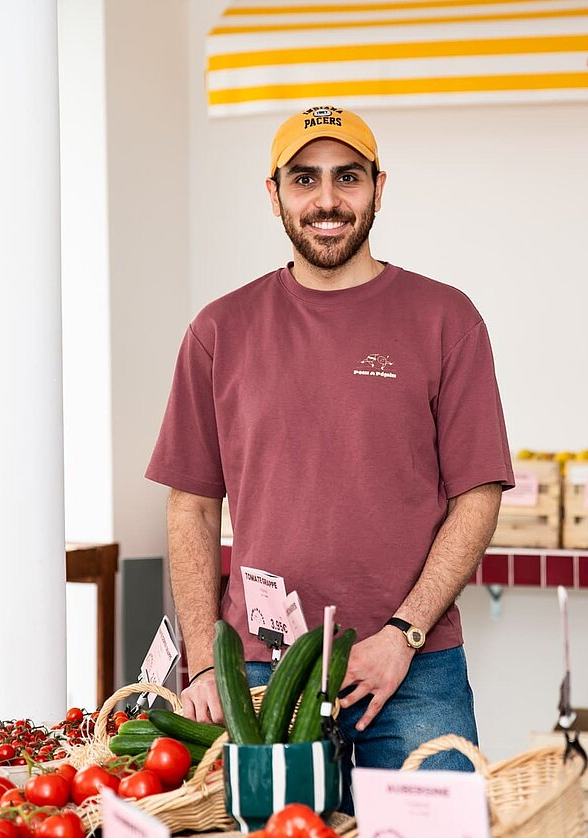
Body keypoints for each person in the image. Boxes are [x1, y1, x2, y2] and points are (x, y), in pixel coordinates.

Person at [145, 105, 513, 792]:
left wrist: (401, 636)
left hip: (412, 668)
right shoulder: (219, 331)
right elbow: (190, 506)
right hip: (257, 672)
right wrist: (202, 663)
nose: (326, 200)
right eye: (304, 179)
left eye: (347, 177)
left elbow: (478, 496)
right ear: (274, 192)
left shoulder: (446, 319)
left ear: (378, 186)